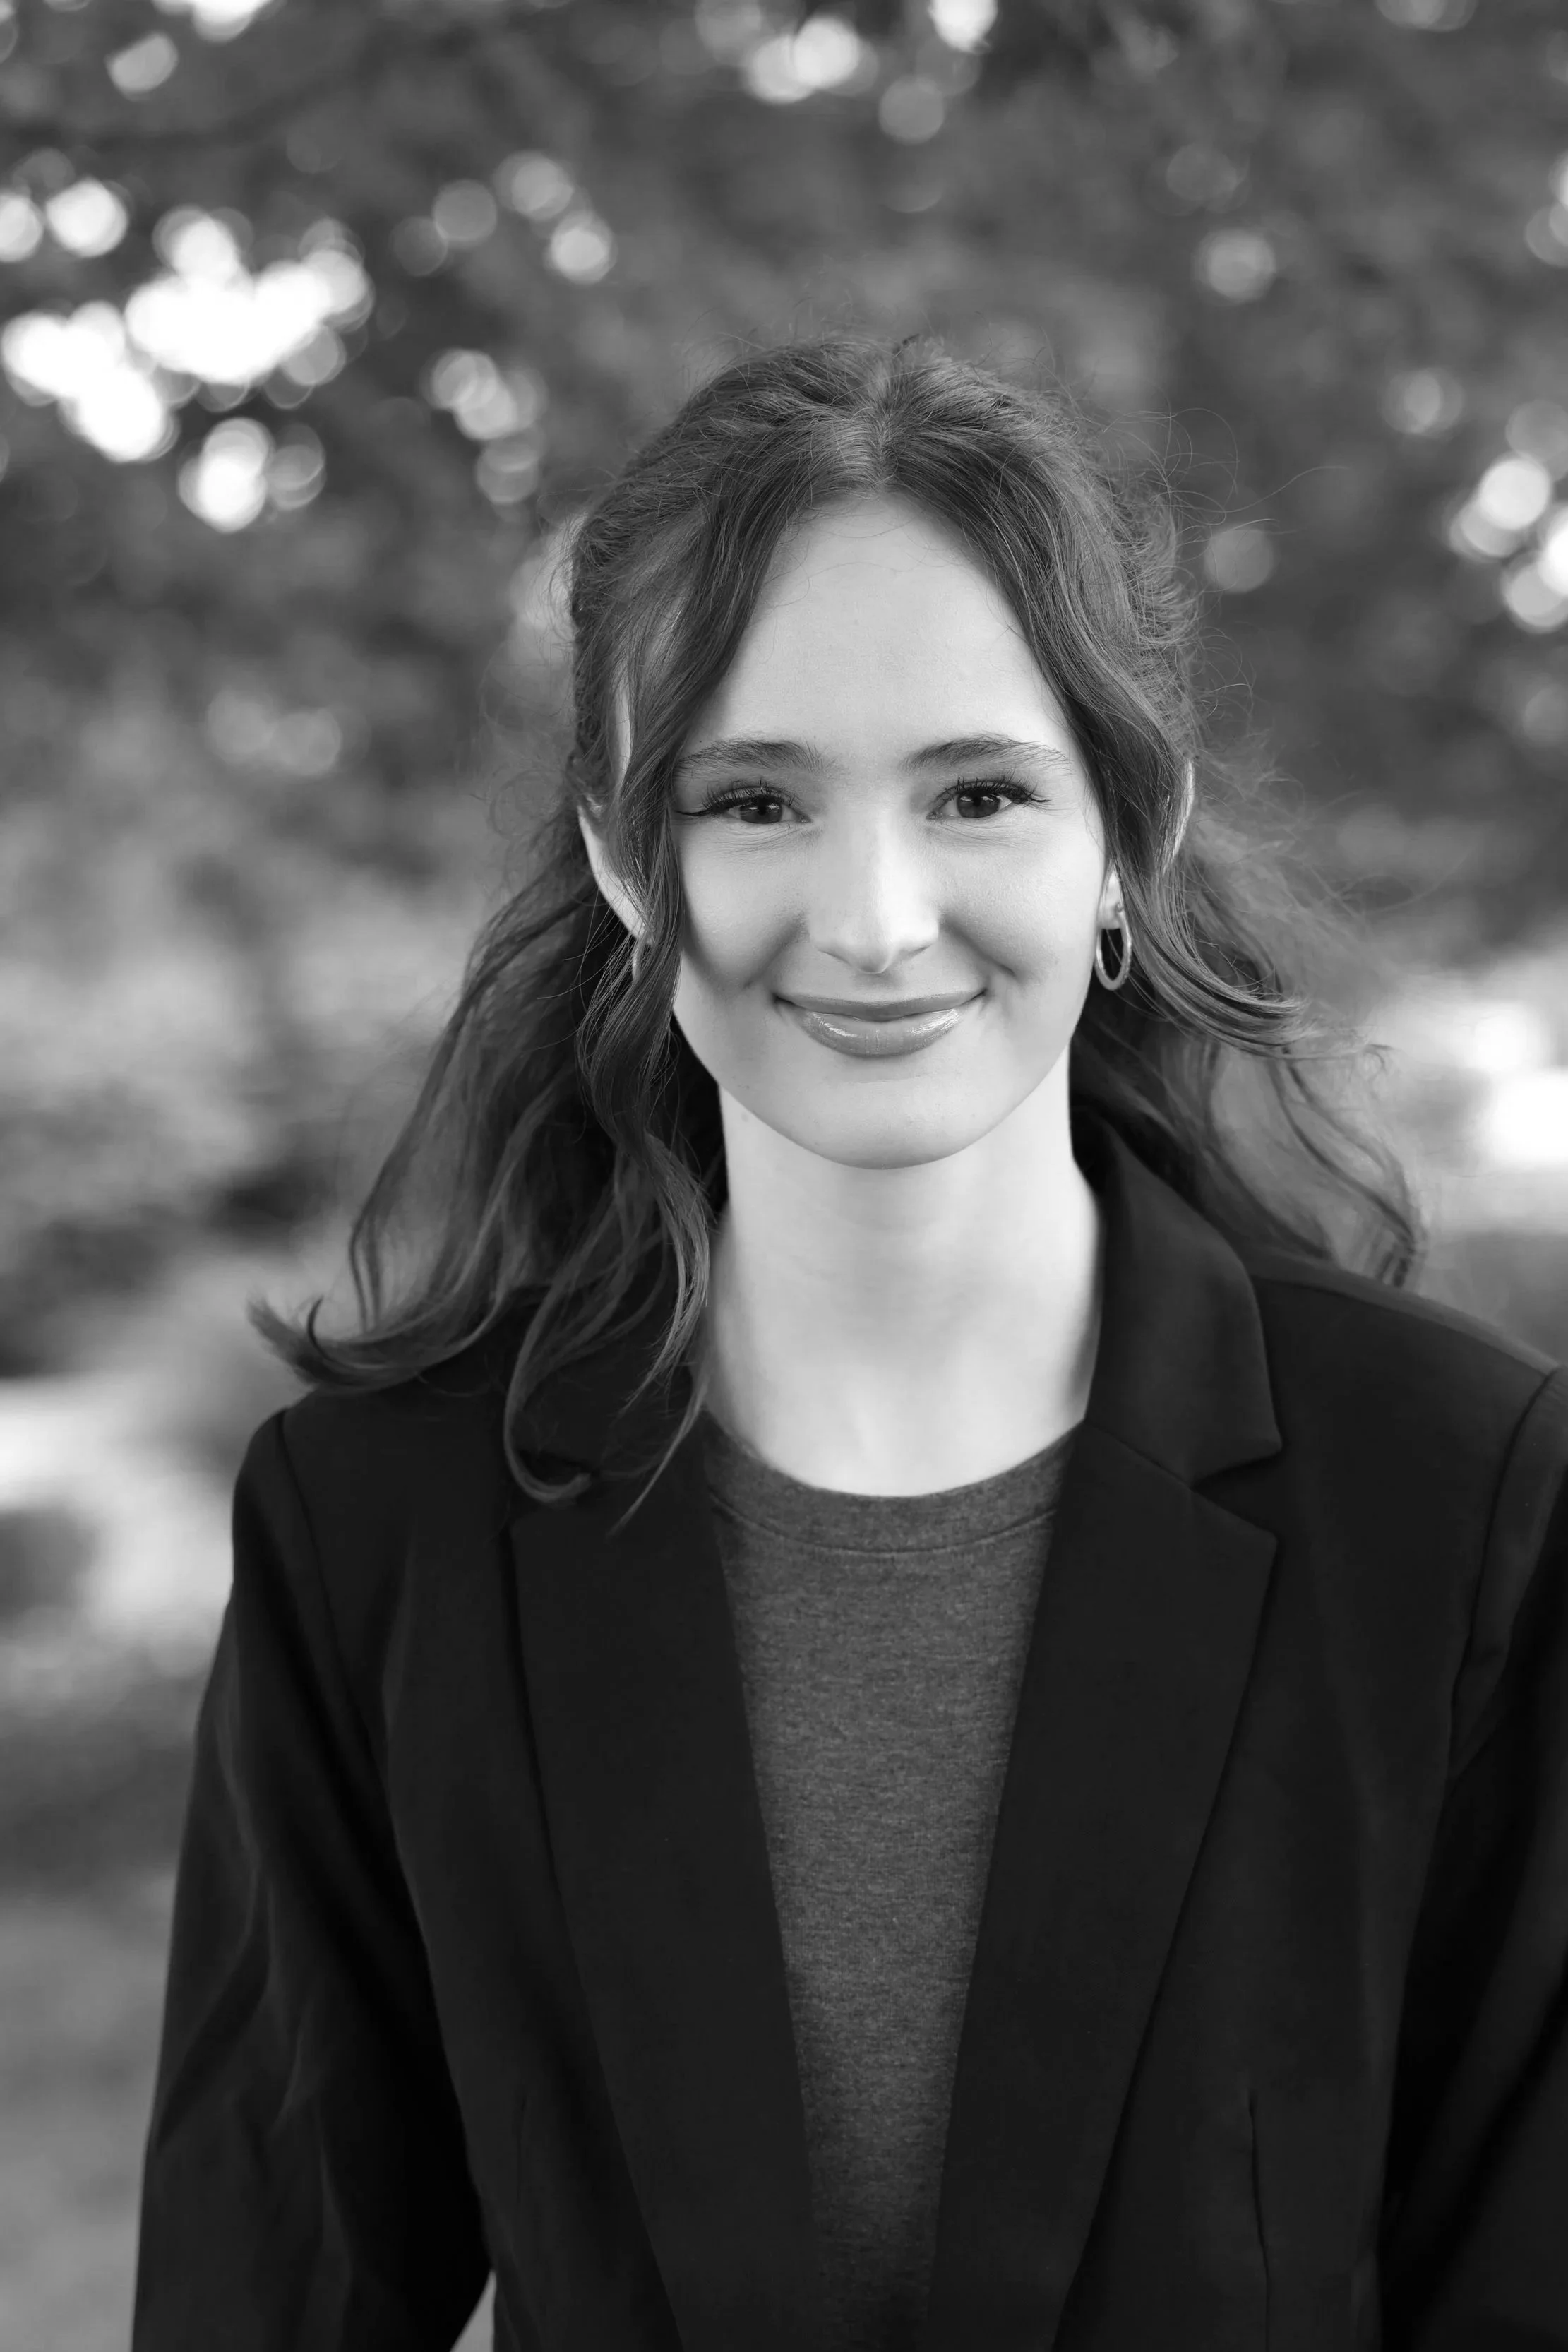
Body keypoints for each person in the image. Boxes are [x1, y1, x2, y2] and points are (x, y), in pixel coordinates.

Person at [131, 333, 1568, 2352]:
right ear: (626, 856)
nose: (877, 920)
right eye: (756, 800)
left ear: (1126, 840)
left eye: (978, 793)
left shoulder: (1457, 1494)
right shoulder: (379, 1527)